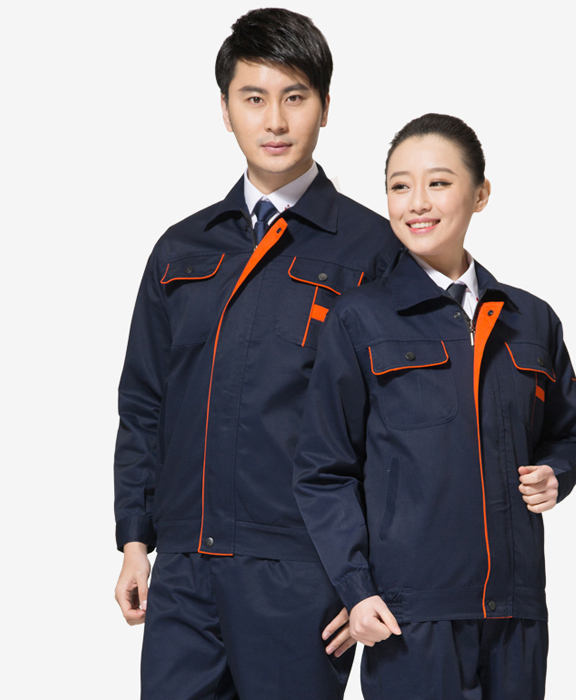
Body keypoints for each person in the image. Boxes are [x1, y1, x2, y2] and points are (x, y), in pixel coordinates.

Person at [112, 9, 402, 699]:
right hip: (185, 571)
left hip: (304, 574)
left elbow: (402, 430)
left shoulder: (373, 250)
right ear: (225, 110)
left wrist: (364, 580)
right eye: (254, 98)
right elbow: (145, 402)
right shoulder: (182, 249)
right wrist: (135, 540)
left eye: (294, 97)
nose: (274, 121)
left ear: (325, 107)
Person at [294, 113, 576, 699]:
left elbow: (572, 434)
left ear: (480, 194)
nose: (416, 202)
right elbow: (323, 470)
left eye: (438, 182)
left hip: (515, 613)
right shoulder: (359, 318)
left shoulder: (531, 319)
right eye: (399, 185)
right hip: (411, 617)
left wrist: (556, 472)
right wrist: (357, 588)